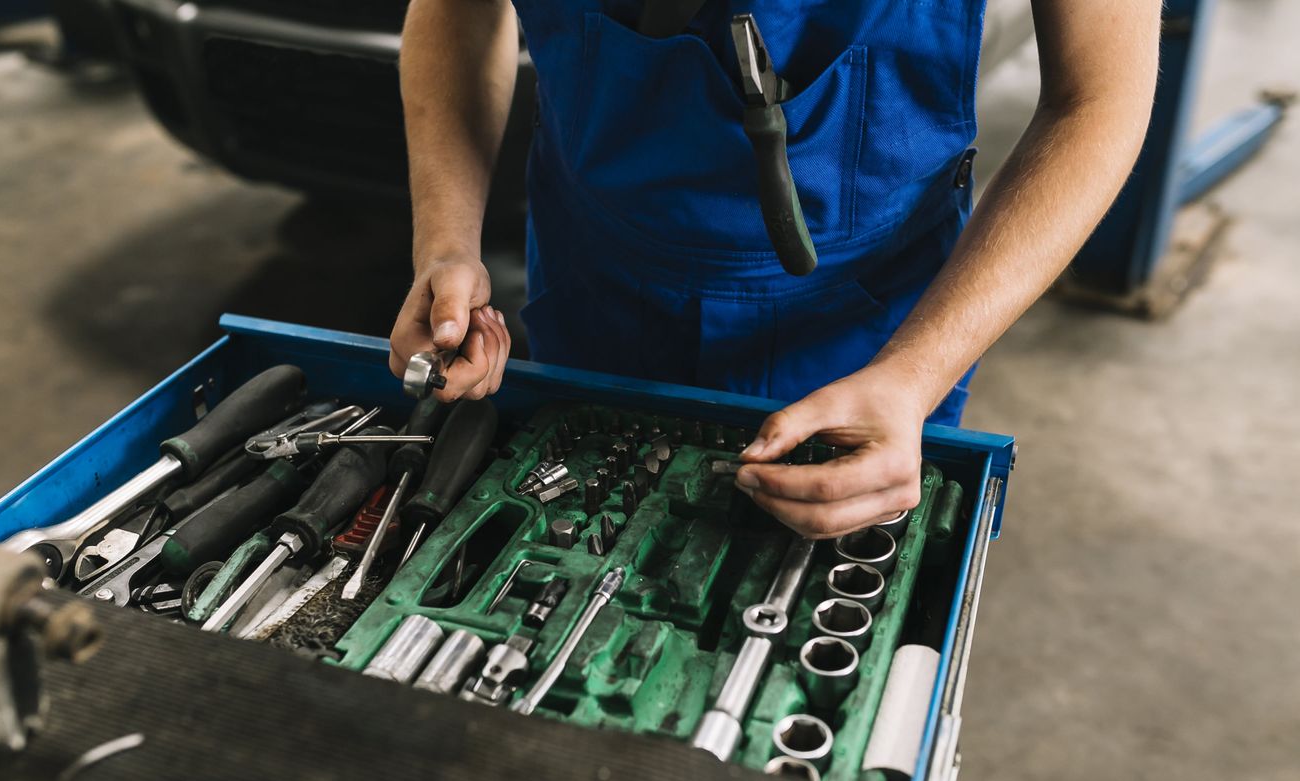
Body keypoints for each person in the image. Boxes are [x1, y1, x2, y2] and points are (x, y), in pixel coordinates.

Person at [387, 0, 1159, 539]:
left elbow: (1099, 95)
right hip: (597, 284)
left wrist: (914, 375)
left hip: (865, 334)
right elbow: (460, 6)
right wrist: (446, 244)